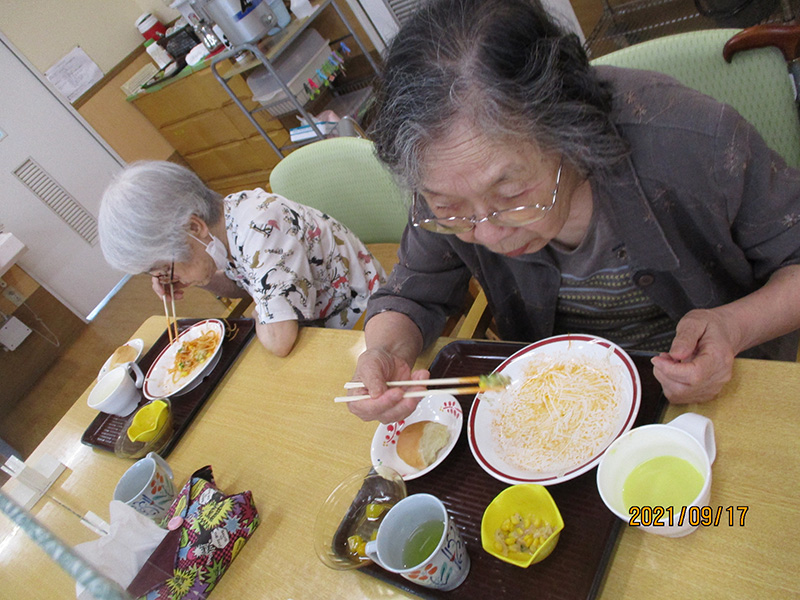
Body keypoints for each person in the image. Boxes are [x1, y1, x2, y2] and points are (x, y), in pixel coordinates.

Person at [347, 0, 800, 423]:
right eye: (450, 209)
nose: (487, 235)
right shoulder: (450, 180)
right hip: (565, 407)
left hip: (714, 393)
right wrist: (386, 351)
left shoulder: (692, 141)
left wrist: (733, 328)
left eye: (511, 196)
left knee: (695, 516)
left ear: (571, 131)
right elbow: (411, 294)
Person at [98, 161, 385, 356]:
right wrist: (198, 281)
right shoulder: (228, 219)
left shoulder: (261, 228)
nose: (166, 278)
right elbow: (243, 286)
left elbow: (279, 341)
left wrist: (260, 311)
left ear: (194, 227)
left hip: (365, 320)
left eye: (164, 268)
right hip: (319, 322)